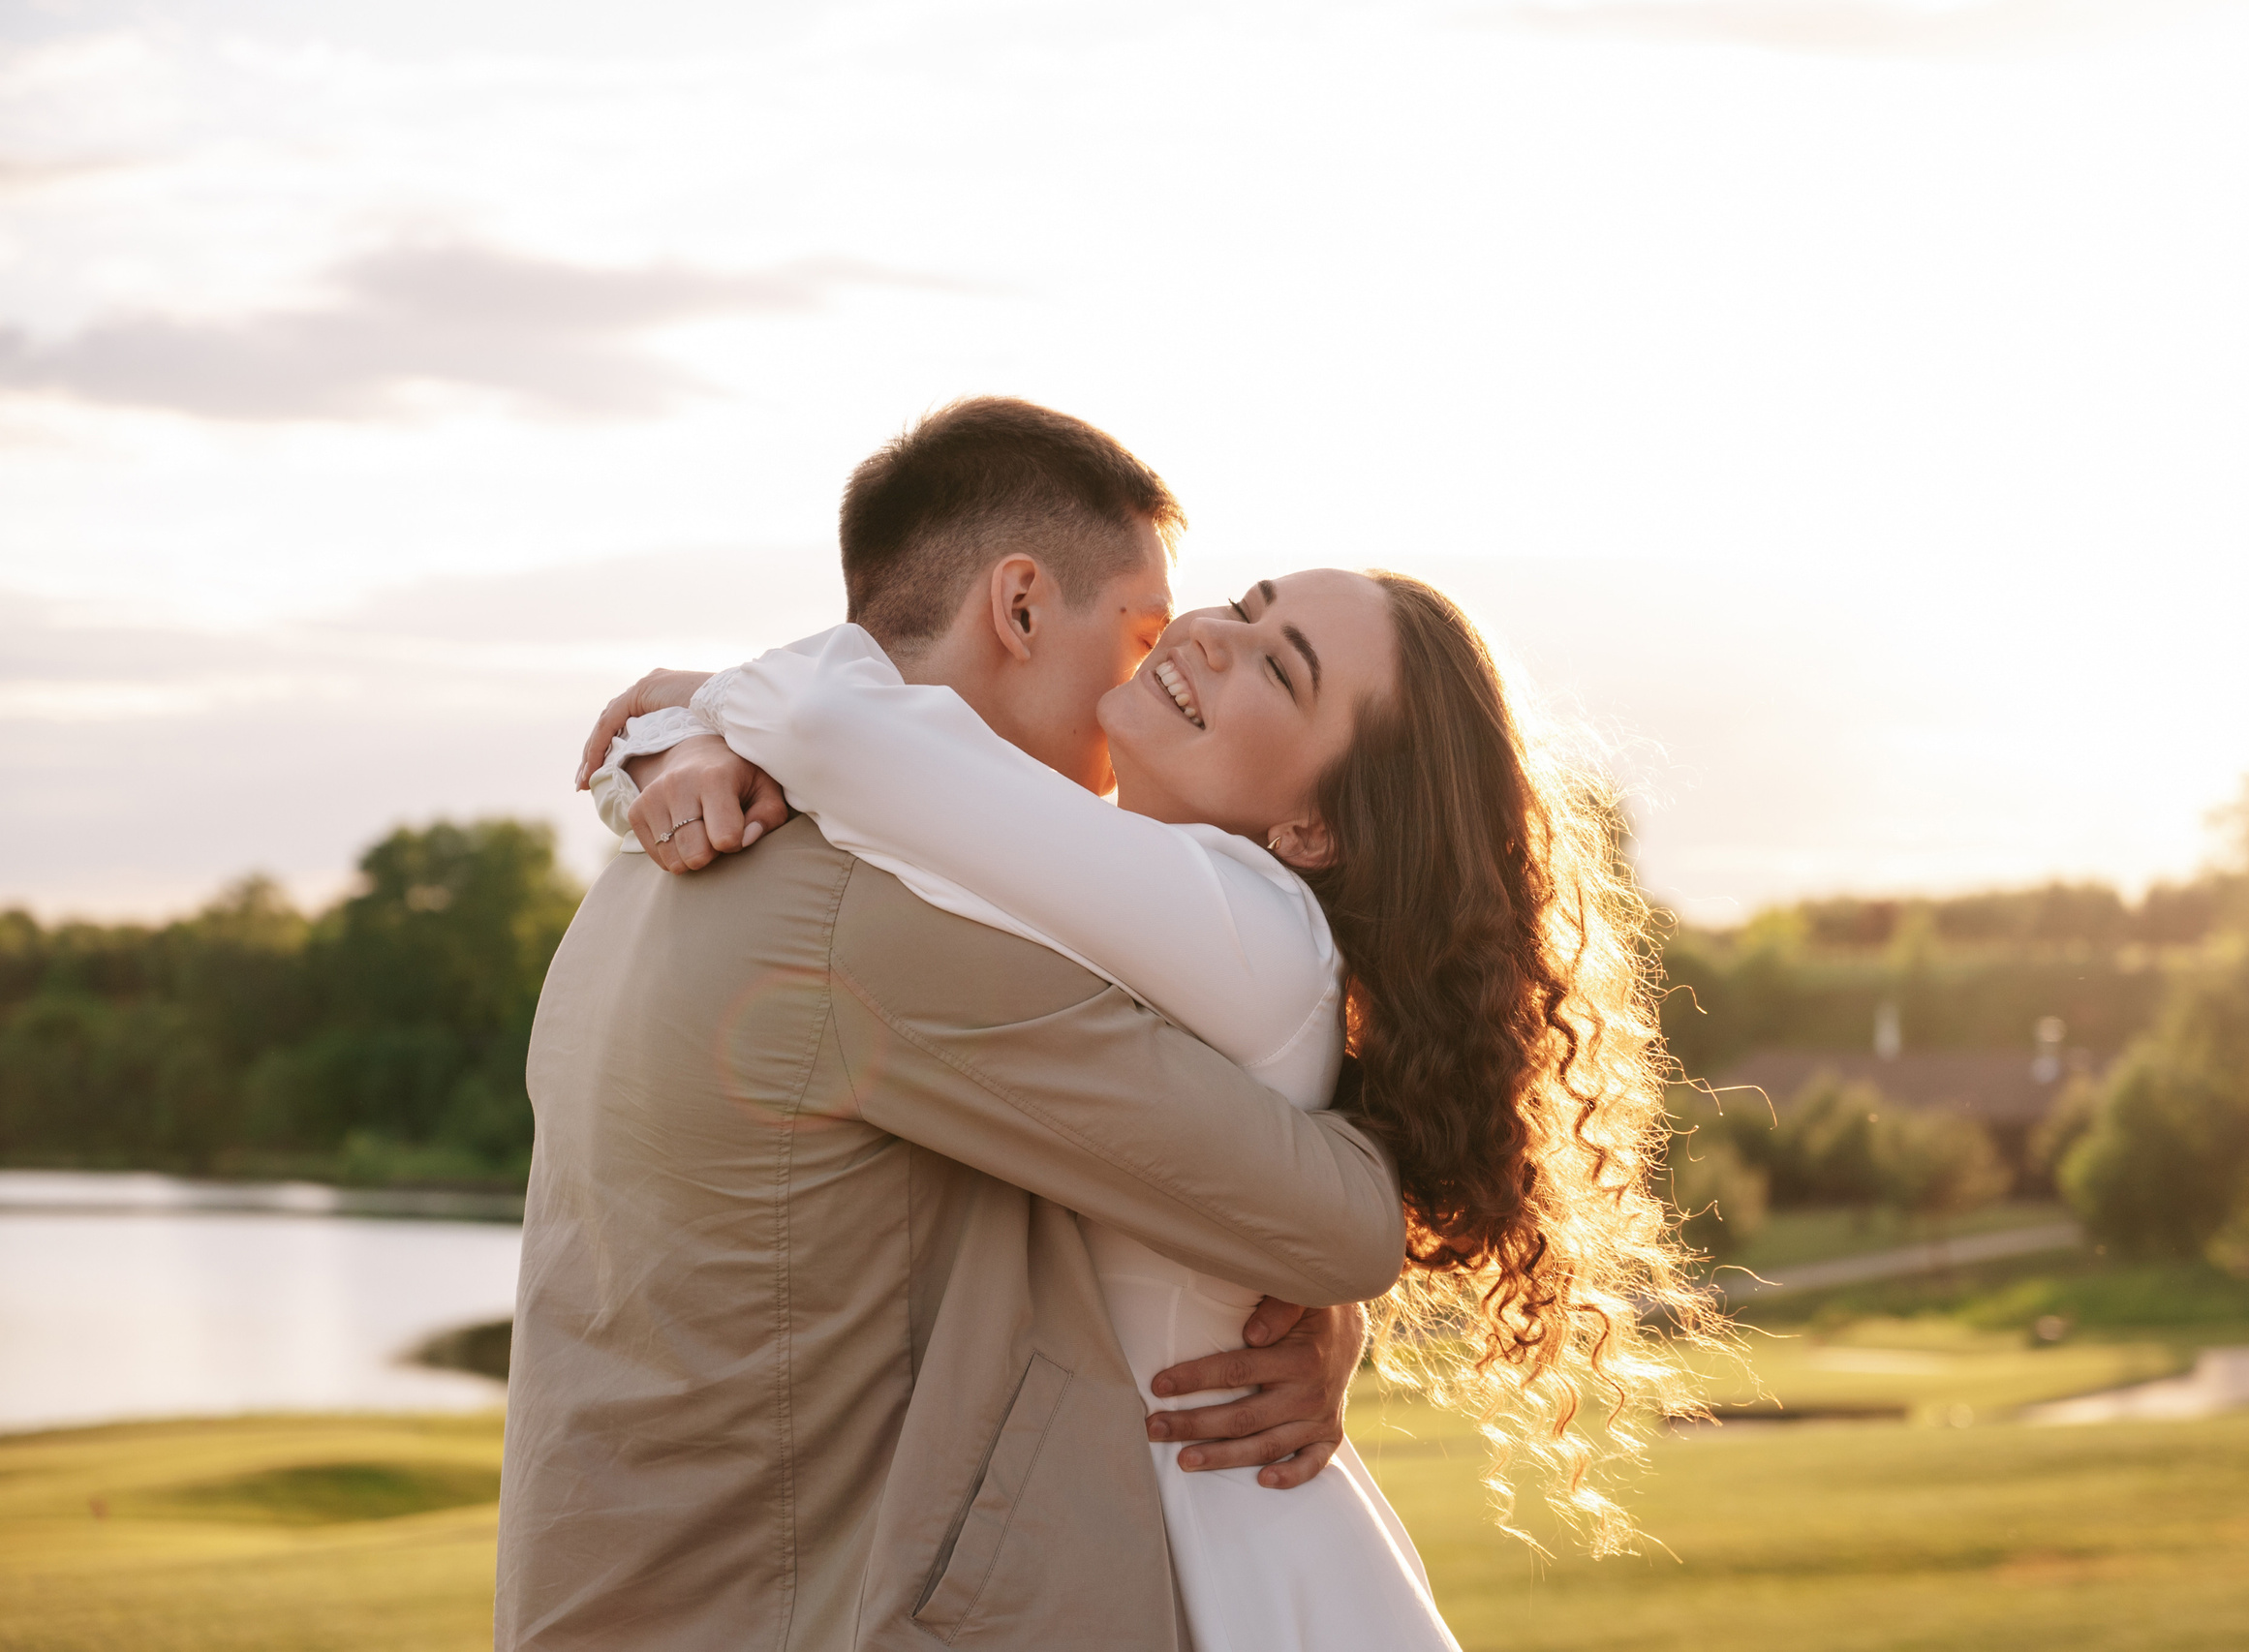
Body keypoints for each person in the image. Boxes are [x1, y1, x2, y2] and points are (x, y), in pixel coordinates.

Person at [590, 433, 1720, 1648]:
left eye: (1278, 670)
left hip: (1237, 1559)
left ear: (1315, 827)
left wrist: (692, 717)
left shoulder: (1248, 923)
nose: (1207, 633)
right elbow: (883, 788)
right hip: (1166, 1538)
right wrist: (679, 746)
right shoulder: (1129, 900)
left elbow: (832, 726)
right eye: (1245, 603)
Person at [498, 398, 1407, 1652]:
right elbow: (1339, 1219)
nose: (1151, 679)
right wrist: (1306, 1286)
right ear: (1021, 608)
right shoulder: (889, 925)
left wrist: (681, 722)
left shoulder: (652, 867)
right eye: (1139, 636)